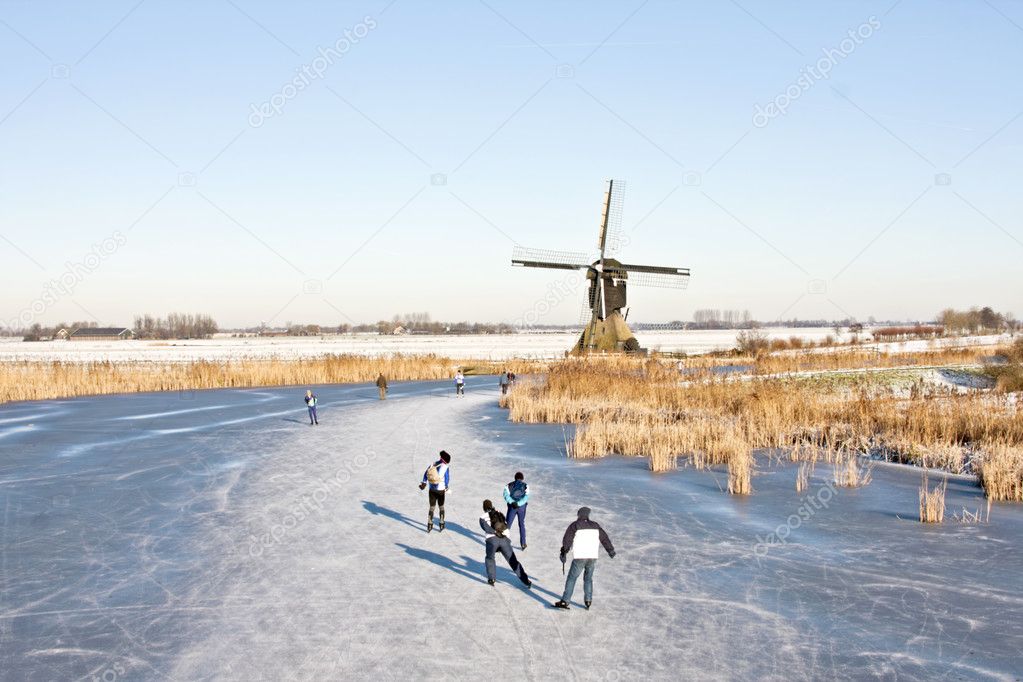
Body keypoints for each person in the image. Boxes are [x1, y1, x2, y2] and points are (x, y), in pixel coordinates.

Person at [553, 507, 615, 610]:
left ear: (579, 514)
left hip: (580, 556)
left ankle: (565, 601)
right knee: (588, 579)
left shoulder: (575, 525)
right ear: (588, 515)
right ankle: (588, 601)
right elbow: (604, 538)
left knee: (572, 578)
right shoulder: (595, 525)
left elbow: (567, 539)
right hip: (592, 556)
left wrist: (564, 552)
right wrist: (610, 550)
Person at [479, 499, 531, 588]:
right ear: (492, 506)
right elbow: (506, 525)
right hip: (504, 540)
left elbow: (486, 528)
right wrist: (506, 540)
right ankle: (526, 581)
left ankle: (491, 578)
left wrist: (494, 532)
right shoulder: (498, 512)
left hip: (492, 541)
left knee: (490, 558)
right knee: (513, 561)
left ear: (483, 508)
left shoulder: (482, 517)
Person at [419, 450, 451, 532]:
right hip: (441, 490)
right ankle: (441, 522)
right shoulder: (445, 467)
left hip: (432, 490)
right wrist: (446, 487)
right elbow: (447, 479)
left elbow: (426, 473)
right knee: (441, 506)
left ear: (440, 457)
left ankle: (430, 523)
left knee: (432, 507)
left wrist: (423, 483)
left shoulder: (433, 464)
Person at [503, 472, 529, 549]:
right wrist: (519, 503)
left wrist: (513, 502)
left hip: (512, 507)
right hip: (522, 508)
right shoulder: (526, 486)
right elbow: (526, 497)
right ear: (522, 478)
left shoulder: (508, 485)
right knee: (521, 524)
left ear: (515, 478)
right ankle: (523, 543)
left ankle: (502, 542)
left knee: (507, 525)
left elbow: (505, 495)